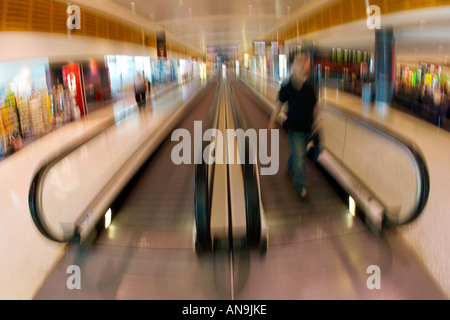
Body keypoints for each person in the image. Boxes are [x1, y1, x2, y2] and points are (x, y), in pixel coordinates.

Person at [268, 51, 318, 200]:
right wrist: (271, 121)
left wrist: (317, 122)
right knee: (300, 158)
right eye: (299, 62)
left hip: (309, 128)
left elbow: (314, 107)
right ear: (292, 66)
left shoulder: (310, 87)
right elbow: (278, 106)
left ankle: (291, 167)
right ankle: (301, 187)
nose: (303, 65)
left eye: (305, 63)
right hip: (295, 128)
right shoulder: (287, 86)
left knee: (298, 154)